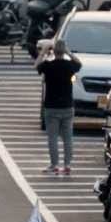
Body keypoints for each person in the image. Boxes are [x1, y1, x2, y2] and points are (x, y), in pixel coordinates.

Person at [36, 39, 82, 176]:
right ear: (64, 52)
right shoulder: (69, 66)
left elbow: (36, 65)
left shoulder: (48, 66)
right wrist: (68, 52)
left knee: (53, 138)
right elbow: (79, 63)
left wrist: (44, 51)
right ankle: (67, 165)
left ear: (53, 52)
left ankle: (54, 164)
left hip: (51, 106)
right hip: (67, 106)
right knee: (68, 138)